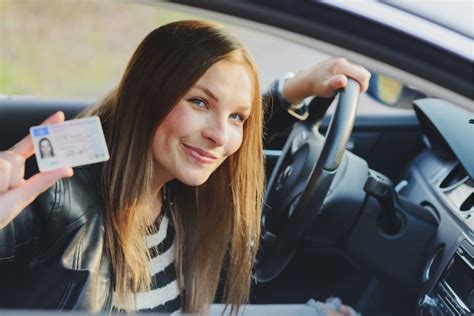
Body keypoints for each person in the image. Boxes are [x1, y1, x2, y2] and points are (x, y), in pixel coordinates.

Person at [0, 20, 370, 315]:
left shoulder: (177, 190)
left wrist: (299, 85)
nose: (220, 136)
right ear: (148, 96)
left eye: (238, 117)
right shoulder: (62, 196)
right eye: (199, 102)